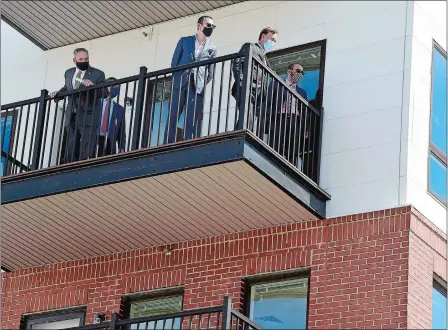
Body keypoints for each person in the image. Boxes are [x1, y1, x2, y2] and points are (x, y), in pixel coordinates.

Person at [165, 15, 218, 144]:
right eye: (208, 25)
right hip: (180, 83)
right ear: (200, 26)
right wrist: (178, 78)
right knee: (173, 116)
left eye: (213, 26)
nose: (211, 28)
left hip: (197, 87)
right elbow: (174, 63)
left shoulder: (213, 48)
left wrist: (200, 82)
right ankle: (167, 142)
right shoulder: (184, 41)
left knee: (191, 118)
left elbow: (210, 72)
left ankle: (188, 143)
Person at [50, 48, 107, 163]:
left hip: (88, 116)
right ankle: (70, 168)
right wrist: (57, 94)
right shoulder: (69, 73)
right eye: (80, 59)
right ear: (74, 60)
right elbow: (67, 88)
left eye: (86, 59)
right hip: (71, 115)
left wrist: (92, 86)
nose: (83, 61)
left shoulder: (98, 74)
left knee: (87, 148)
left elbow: (104, 93)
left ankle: (84, 168)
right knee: (71, 147)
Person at [231, 27, 278, 137]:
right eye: (272, 39)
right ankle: (236, 138)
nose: (273, 43)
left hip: (258, 93)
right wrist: (241, 79)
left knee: (251, 121)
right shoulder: (251, 47)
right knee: (247, 117)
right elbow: (237, 61)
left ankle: (240, 137)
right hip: (247, 86)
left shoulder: (265, 59)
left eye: (275, 41)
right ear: (263, 36)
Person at [268, 63, 308, 167]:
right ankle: (274, 167)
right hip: (279, 119)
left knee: (293, 150)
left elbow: (304, 112)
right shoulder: (277, 84)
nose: (300, 74)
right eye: (298, 71)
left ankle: (291, 171)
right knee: (275, 146)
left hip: (295, 121)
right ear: (289, 71)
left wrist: (305, 129)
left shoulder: (302, 92)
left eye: (302, 73)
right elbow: (269, 102)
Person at [97, 77, 127, 157]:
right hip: (93, 140)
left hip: (110, 143)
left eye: (118, 87)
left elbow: (121, 131)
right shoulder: (95, 103)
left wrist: (122, 147)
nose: (116, 89)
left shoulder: (120, 109)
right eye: (113, 86)